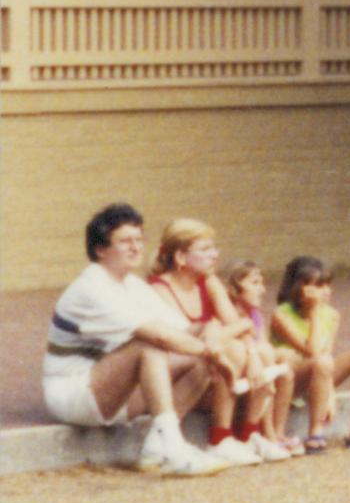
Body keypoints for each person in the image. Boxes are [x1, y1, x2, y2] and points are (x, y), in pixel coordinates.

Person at [39, 204, 228, 476]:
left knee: (197, 360)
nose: (136, 247)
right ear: (100, 249)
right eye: (126, 241)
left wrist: (211, 335)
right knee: (148, 347)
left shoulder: (132, 284)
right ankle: (175, 448)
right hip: (72, 393)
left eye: (139, 240)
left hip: (110, 390)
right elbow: (160, 336)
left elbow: (183, 331)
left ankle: (155, 448)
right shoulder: (92, 287)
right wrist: (212, 351)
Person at [151, 218, 286, 465]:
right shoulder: (160, 289)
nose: (215, 255)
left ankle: (249, 433)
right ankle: (219, 438)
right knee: (231, 348)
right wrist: (242, 326)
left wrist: (254, 356)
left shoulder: (208, 281)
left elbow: (234, 322)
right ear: (180, 257)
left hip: (214, 368)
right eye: (205, 250)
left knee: (265, 353)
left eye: (214, 248)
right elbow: (187, 340)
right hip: (183, 376)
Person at [271, 256, 350, 447]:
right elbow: (313, 352)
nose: (326, 291)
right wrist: (315, 311)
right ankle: (315, 432)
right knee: (320, 362)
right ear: (300, 288)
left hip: (319, 375)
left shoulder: (332, 315)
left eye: (327, 285)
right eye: (318, 286)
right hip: (292, 381)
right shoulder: (281, 315)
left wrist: (330, 394)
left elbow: (327, 355)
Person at [225, 261, 306, 451]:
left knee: (285, 370)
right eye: (255, 283)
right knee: (268, 357)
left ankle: (278, 432)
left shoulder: (254, 313)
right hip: (237, 370)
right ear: (236, 285)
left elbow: (262, 344)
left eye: (262, 284)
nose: (262, 290)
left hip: (256, 366)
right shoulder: (228, 312)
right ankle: (265, 432)